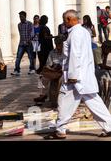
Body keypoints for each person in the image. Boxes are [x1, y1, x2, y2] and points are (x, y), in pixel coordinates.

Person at [44, 10, 111, 140]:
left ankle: (60, 129)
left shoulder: (74, 34)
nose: (64, 23)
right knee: (94, 101)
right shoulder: (84, 32)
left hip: (75, 78)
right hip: (83, 76)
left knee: (63, 101)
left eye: (64, 20)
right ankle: (109, 126)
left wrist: (72, 76)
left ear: (69, 19)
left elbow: (75, 55)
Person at [34, 36, 64, 105]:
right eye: (57, 44)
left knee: (60, 80)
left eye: (60, 44)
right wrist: (51, 68)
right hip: (54, 71)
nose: (58, 46)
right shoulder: (52, 52)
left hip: (63, 72)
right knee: (42, 76)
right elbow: (48, 64)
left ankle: (58, 99)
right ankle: (43, 94)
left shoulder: (67, 52)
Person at [11, 11, 36, 76]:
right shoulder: (19, 25)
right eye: (19, 17)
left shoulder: (30, 24)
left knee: (30, 57)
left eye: (21, 16)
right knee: (18, 57)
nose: (20, 18)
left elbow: (32, 33)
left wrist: (29, 40)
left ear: (25, 16)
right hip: (21, 43)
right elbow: (20, 34)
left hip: (28, 43)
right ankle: (17, 70)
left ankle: (32, 69)